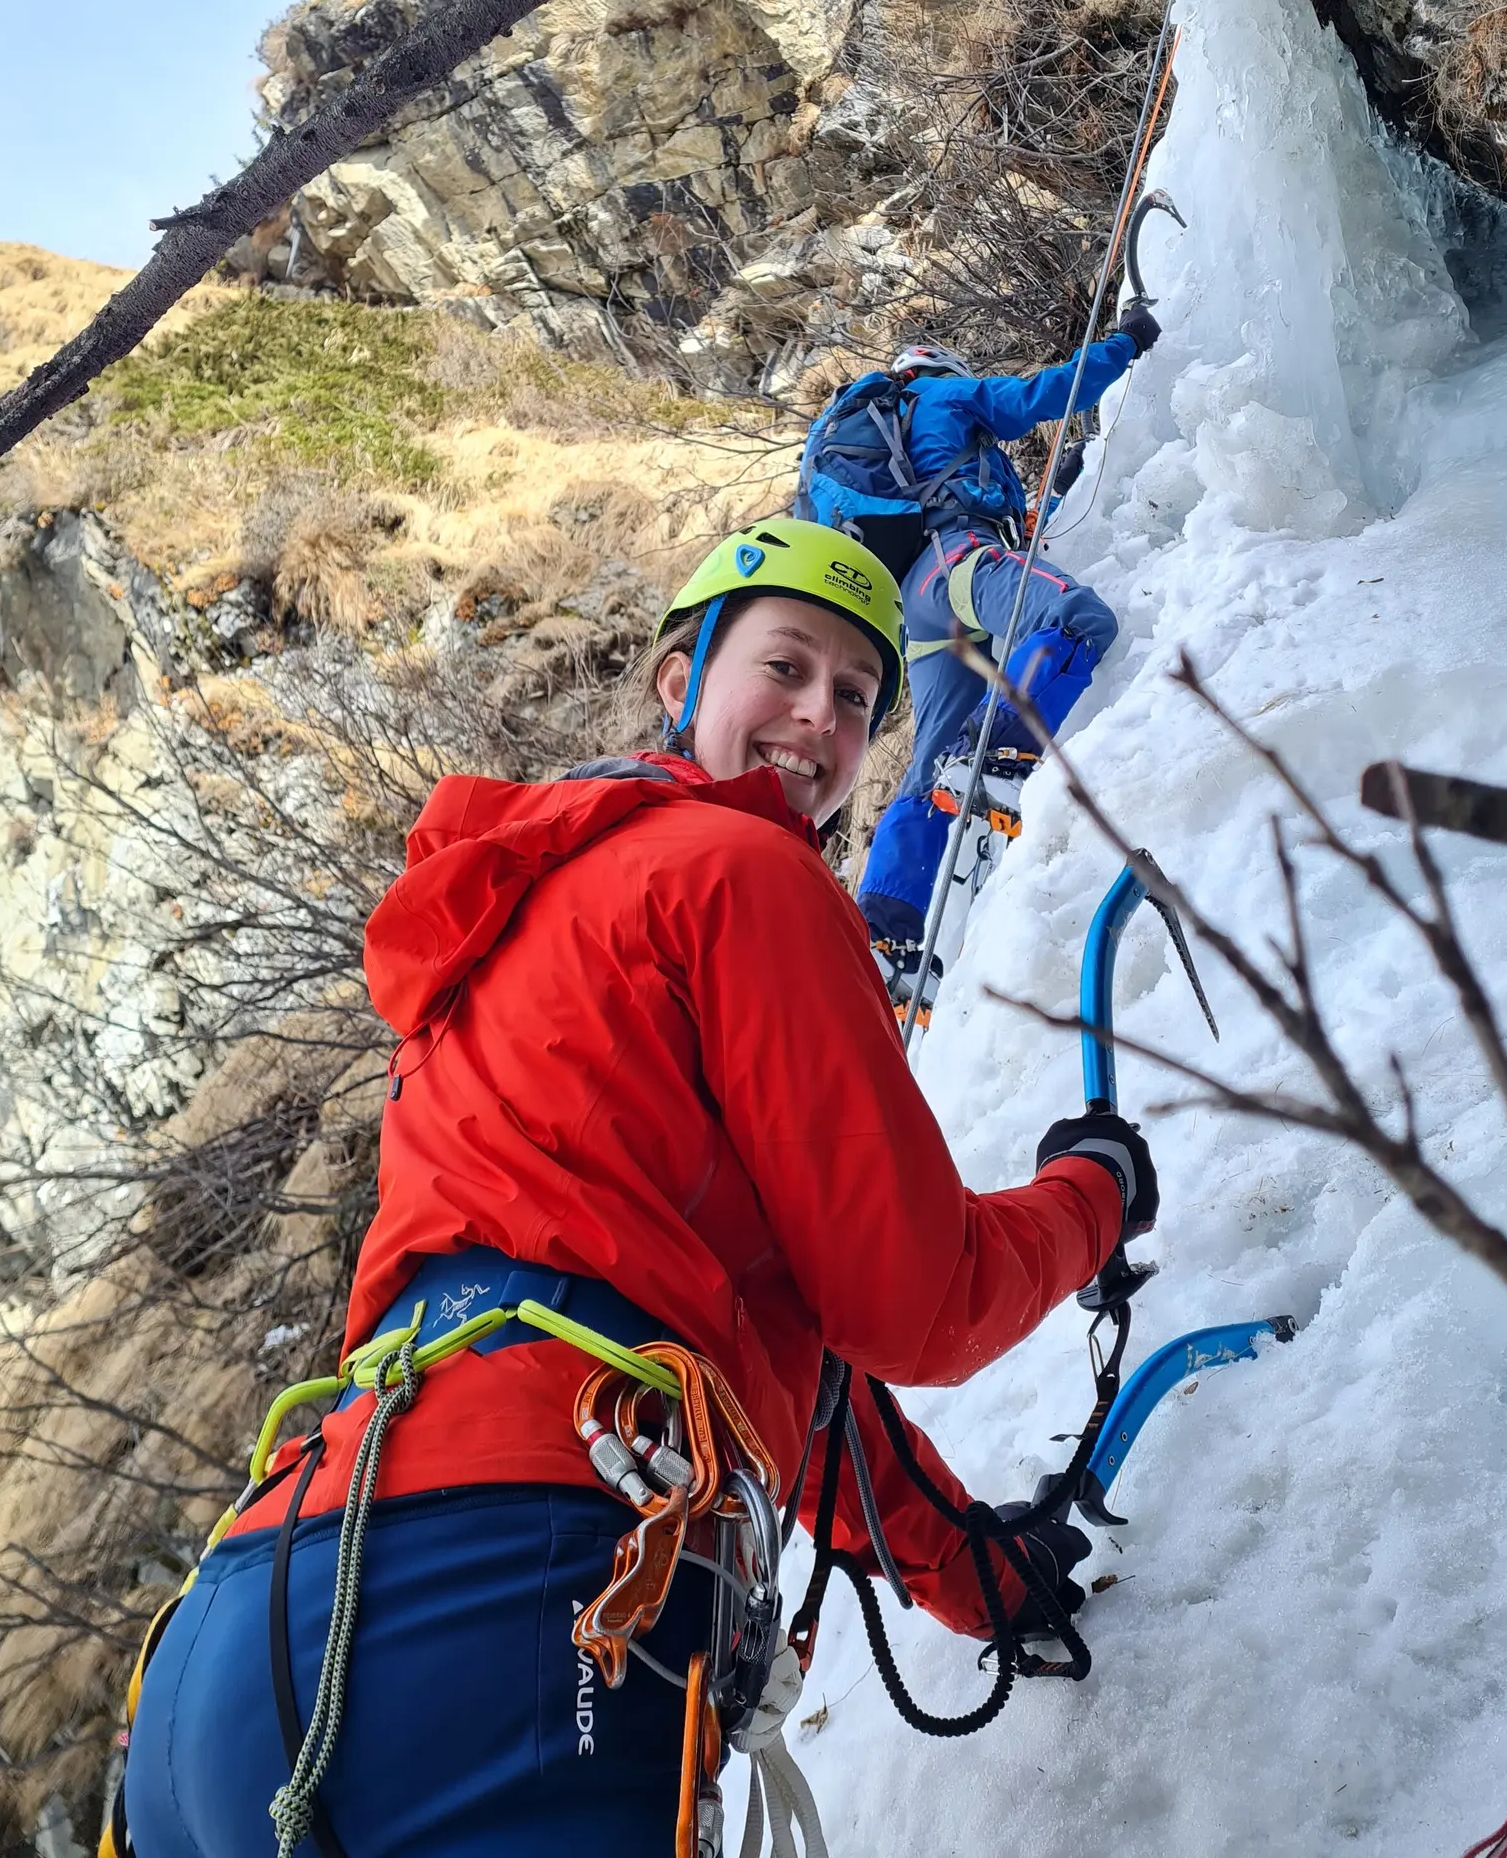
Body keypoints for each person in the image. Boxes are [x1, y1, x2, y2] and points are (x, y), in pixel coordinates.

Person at [119, 516, 1158, 1858]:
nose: (821, 720)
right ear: (682, 680)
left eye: (854, 697)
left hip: (247, 1627)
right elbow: (917, 1303)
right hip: (522, 1588)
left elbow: (755, 1371)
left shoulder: (508, 935)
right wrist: (1091, 1193)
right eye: (786, 668)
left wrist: (976, 1574)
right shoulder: (740, 872)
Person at [857, 313, 1160, 993]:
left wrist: (1062, 491)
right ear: (942, 370)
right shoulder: (945, 397)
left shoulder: (890, 444)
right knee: (1074, 617)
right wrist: (1129, 343)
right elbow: (1040, 397)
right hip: (959, 561)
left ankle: (886, 929)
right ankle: (998, 750)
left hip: (921, 603)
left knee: (929, 760)